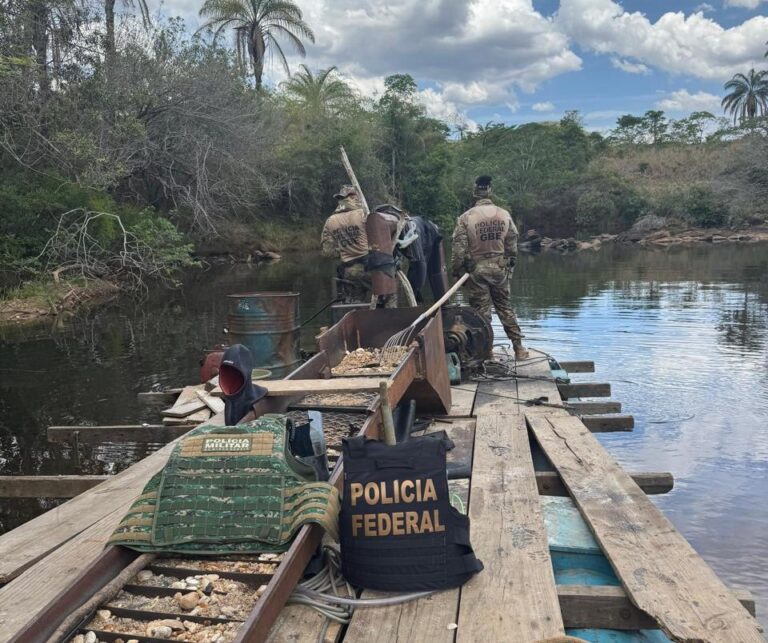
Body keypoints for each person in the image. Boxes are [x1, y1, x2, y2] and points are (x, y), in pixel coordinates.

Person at [451, 175, 529, 360]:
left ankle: (487, 352)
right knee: (505, 308)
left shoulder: (466, 217)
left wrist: (456, 270)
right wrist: (509, 262)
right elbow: (512, 243)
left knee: (481, 313)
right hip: (500, 268)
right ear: (490, 191)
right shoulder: (504, 214)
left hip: (477, 271)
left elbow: (459, 250)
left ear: (474, 193)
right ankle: (519, 348)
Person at [321, 185, 372, 304]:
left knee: (354, 305)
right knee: (387, 299)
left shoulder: (330, 221)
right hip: (372, 270)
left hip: (349, 272)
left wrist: (344, 248)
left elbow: (328, 252)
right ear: (355, 197)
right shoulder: (364, 214)